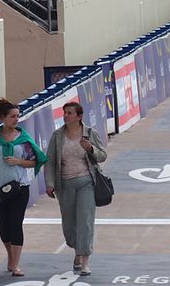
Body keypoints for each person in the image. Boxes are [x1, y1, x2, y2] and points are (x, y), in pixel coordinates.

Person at [0, 98, 47, 277]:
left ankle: (16, 264)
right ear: (2, 118)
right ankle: (10, 256)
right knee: (4, 227)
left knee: (15, 224)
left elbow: (34, 161)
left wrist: (19, 161)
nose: (16, 120)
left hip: (20, 188)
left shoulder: (23, 139)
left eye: (18, 116)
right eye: (12, 116)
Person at [44, 101, 107, 277]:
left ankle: (85, 260)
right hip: (64, 185)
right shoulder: (57, 136)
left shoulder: (89, 133)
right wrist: (50, 183)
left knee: (85, 221)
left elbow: (102, 155)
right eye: (64, 113)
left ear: (79, 116)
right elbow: (50, 161)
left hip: (86, 182)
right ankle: (76, 250)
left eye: (70, 113)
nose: (66, 116)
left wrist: (91, 149)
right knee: (69, 223)